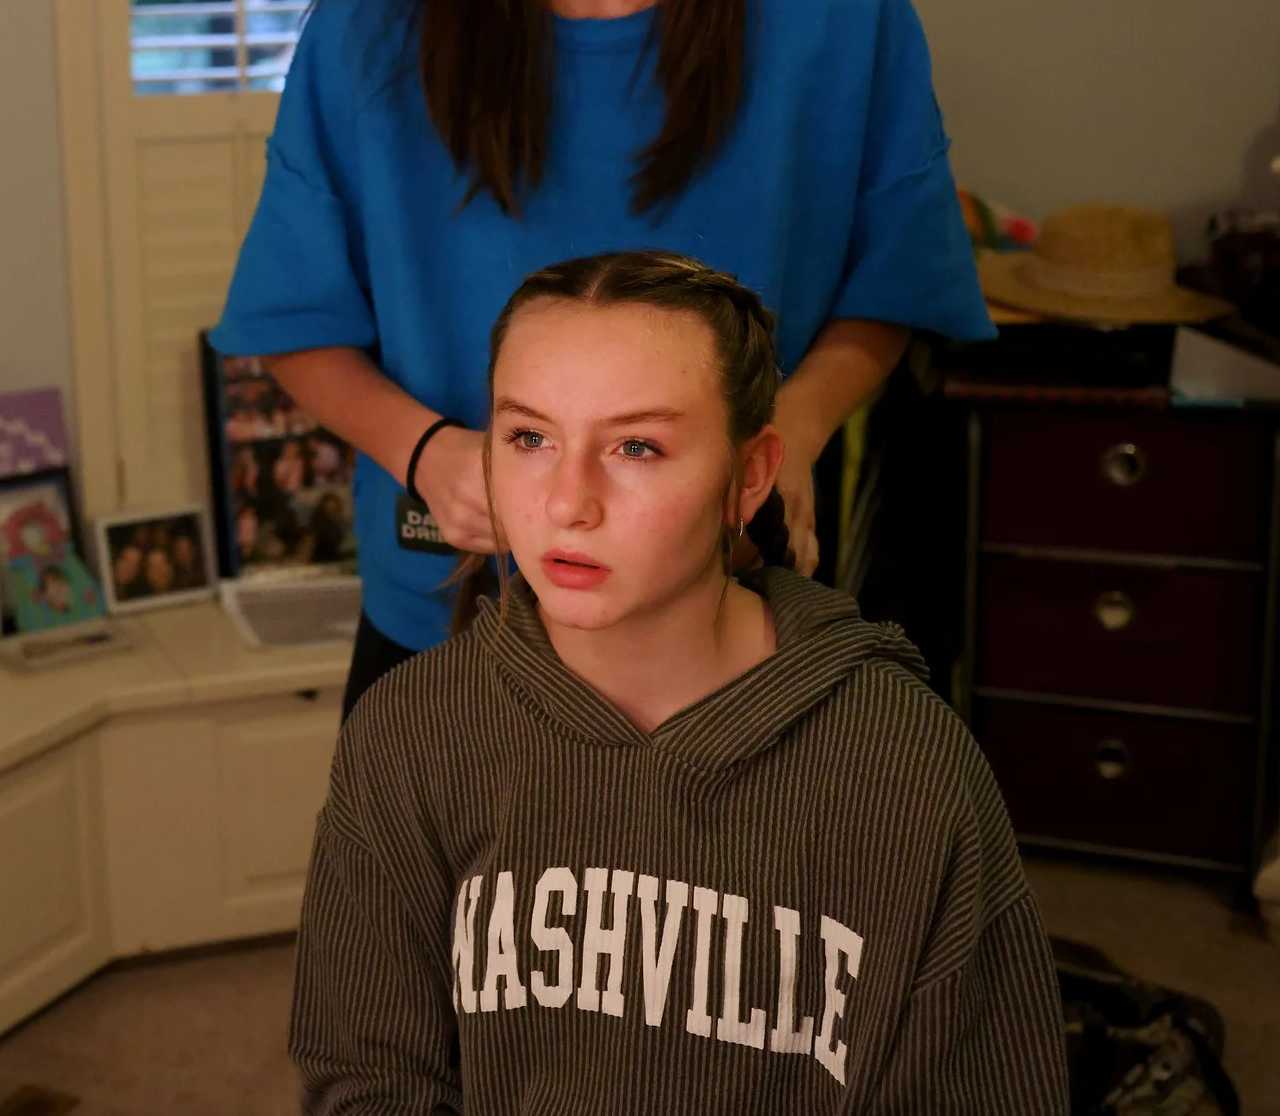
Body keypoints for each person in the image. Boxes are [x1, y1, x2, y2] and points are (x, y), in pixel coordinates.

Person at [210, 0, 990, 716]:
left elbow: (898, 282)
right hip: (452, 630)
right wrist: (432, 453)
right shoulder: (374, 20)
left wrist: (795, 417)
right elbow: (294, 324)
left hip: (734, 627)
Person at [289, 251, 1068, 1113]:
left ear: (751, 476)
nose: (567, 502)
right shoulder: (410, 736)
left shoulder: (903, 764)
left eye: (636, 446)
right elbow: (367, 1079)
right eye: (530, 438)